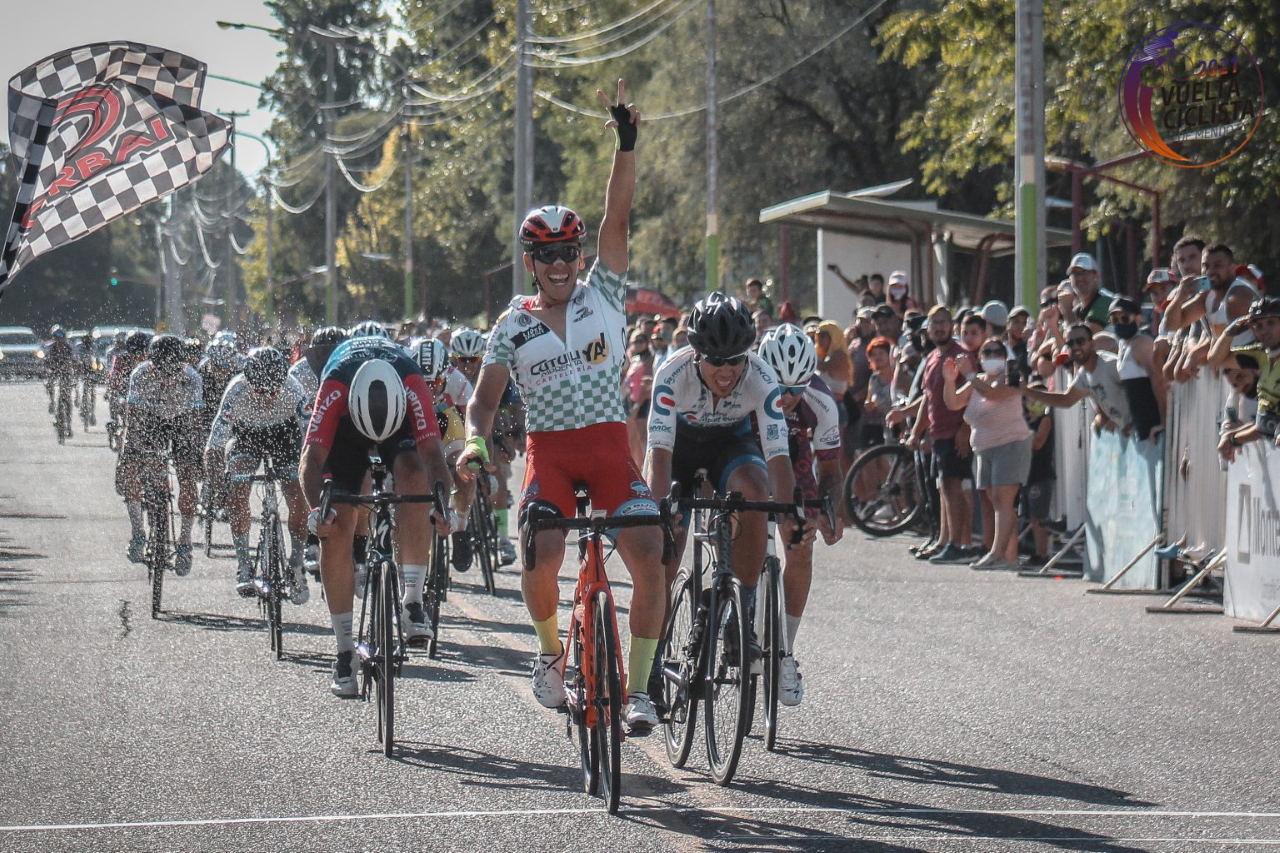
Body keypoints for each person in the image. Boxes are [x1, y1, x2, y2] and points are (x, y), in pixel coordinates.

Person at [456, 81, 667, 731]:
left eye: (567, 252)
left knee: (652, 555)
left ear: (579, 256)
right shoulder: (512, 325)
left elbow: (616, 219)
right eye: (546, 254)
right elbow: (484, 401)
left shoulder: (604, 292)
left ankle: (640, 689)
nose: (559, 263)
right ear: (531, 261)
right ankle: (551, 654)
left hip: (607, 451)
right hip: (549, 456)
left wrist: (626, 144)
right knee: (540, 554)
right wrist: (474, 442)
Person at [646, 293, 805, 676]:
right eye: (715, 360)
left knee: (756, 491)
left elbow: (778, 455)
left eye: (735, 359)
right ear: (696, 354)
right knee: (664, 553)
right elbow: (660, 456)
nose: (726, 370)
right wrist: (659, 512)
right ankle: (650, 663)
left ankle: (741, 613)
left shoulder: (761, 377)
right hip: (679, 451)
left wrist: (789, 514)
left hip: (729, 446)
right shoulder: (671, 374)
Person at [301, 335, 453, 697]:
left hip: (400, 426)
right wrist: (317, 512)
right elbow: (311, 460)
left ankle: (412, 600)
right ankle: (344, 650)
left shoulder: (413, 383)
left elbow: (434, 456)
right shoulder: (334, 385)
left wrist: (443, 507)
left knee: (415, 476)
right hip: (345, 432)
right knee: (337, 522)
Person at [755, 324, 844, 705]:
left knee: (801, 547)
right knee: (741, 521)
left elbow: (831, 470)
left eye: (797, 388)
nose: (788, 397)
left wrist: (828, 511)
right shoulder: (745, 387)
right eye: (780, 388)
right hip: (751, 450)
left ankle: (784, 652)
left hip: (794, 456)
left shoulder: (820, 400)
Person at [204, 347, 311, 602]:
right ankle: (244, 565)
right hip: (248, 434)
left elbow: (311, 438)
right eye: (260, 392)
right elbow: (214, 446)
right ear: (248, 383)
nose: (267, 398)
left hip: (285, 434)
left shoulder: (294, 389)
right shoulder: (236, 390)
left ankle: (297, 564)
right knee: (238, 488)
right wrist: (219, 487)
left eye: (273, 392)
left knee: (298, 495)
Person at [942, 337, 1032, 570]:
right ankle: (1009, 557)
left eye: (997, 352)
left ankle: (997, 553)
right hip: (984, 447)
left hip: (1010, 442)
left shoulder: (1011, 376)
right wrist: (950, 380)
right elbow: (953, 403)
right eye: (987, 353)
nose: (992, 357)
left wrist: (969, 375)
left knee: (1003, 498)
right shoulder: (978, 380)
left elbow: (993, 395)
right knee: (996, 501)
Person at [118, 334, 205, 575]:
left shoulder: (192, 378)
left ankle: (185, 543)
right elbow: (133, 418)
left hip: (181, 422)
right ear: (151, 363)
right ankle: (138, 534)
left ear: (182, 365)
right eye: (160, 370)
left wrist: (196, 456)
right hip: (150, 421)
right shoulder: (140, 374)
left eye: (172, 371)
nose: (166, 378)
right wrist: (130, 453)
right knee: (131, 469)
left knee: (187, 477)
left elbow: (196, 423)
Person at [903, 307, 976, 564]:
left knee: (954, 488)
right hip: (937, 433)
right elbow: (928, 399)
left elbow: (973, 393)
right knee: (943, 487)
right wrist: (916, 432)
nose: (939, 328)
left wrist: (965, 429)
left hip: (955, 432)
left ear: (952, 326)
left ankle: (959, 544)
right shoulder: (932, 357)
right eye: (935, 323)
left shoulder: (961, 355)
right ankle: (943, 541)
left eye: (944, 322)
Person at [414, 336, 478, 572]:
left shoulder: (458, 382)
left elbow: (475, 423)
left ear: (446, 374)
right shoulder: (405, 380)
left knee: (464, 466)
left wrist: (477, 456)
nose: (431, 389)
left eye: (437, 382)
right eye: (425, 383)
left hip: (450, 424)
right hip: (418, 426)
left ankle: (461, 527)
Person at [1019, 324, 1133, 436]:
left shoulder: (1111, 365)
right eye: (1070, 343)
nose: (1075, 347)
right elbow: (1066, 400)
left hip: (1139, 427)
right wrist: (1026, 391)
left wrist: (1134, 422)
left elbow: (1140, 390)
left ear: (1092, 344)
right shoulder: (1083, 374)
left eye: (1080, 341)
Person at [1110, 296, 1166, 441]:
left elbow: (1159, 382)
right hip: (1141, 427)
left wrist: (1164, 422)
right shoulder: (1124, 346)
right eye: (1115, 320)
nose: (1120, 323)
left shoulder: (1141, 344)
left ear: (1138, 319)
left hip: (1154, 427)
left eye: (1124, 318)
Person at [622, 329, 654, 468]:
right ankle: (636, 465)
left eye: (642, 340)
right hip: (630, 400)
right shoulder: (635, 359)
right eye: (635, 341)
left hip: (643, 401)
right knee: (632, 437)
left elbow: (645, 384)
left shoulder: (649, 359)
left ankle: (647, 467)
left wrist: (638, 405)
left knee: (643, 437)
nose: (638, 344)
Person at [1063, 253, 1116, 331]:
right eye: (1075, 274)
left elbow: (1079, 336)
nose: (1080, 278)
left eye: (1084, 273)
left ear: (1096, 276)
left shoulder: (1106, 301)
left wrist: (1067, 309)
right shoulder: (1079, 309)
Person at [43, 325, 76, 431]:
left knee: (67, 398)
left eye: (61, 337)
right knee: (49, 384)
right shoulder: (50, 347)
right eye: (56, 337)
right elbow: (46, 362)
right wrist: (48, 370)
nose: (59, 340)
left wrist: (73, 367)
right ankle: (52, 401)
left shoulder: (69, 347)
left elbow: (74, 360)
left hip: (66, 373)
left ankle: (69, 423)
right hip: (54, 372)